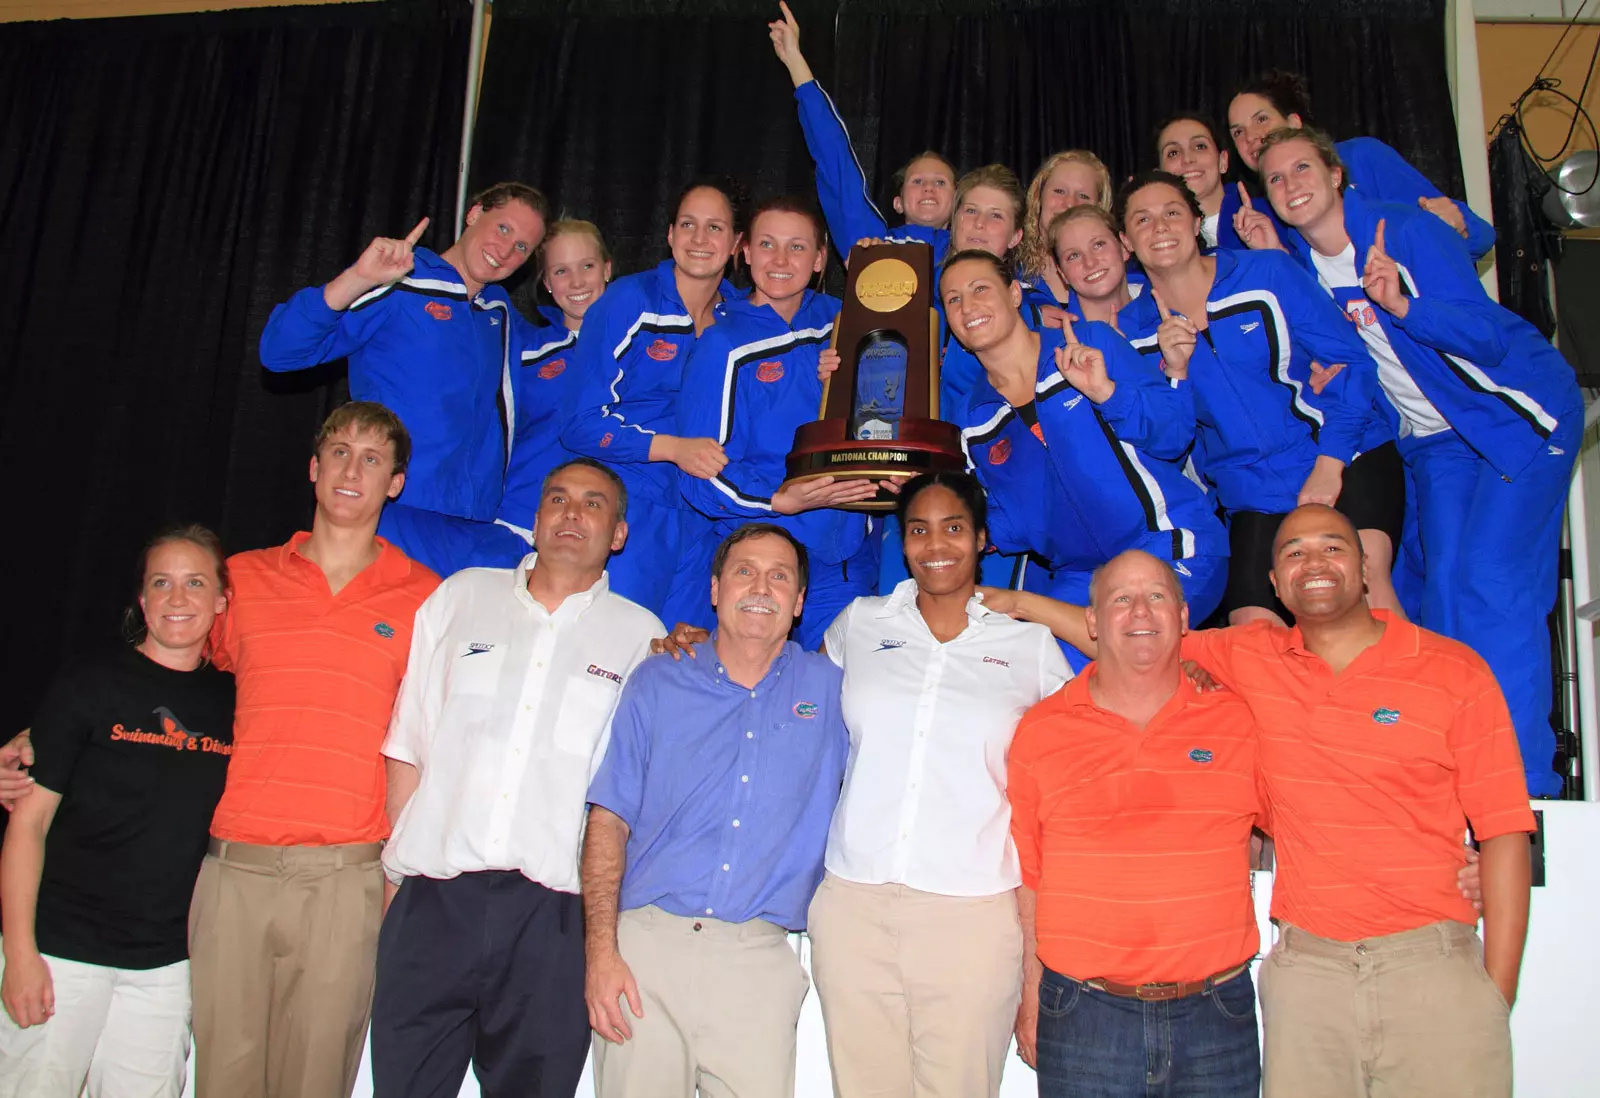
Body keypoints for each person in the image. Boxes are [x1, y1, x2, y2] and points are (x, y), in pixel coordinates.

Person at [989, 504, 1535, 1098]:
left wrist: (1492, 996)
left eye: (1333, 547)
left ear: (1367, 567)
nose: (1314, 562)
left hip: (1429, 961)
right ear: (1275, 582)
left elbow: (1505, 830)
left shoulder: (1454, 671)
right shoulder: (1252, 658)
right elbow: (1137, 639)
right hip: (1308, 975)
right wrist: (1018, 603)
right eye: (1293, 552)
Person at [1256, 125, 1581, 796]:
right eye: (1275, 178)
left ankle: (1525, 792)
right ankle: (1462, 774)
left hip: (1516, 417)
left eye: (1301, 168)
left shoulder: (1403, 233)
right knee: (1441, 598)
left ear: (1337, 174)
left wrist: (1406, 306)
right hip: (1433, 442)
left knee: (1490, 583)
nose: (1291, 185)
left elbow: (1488, 335)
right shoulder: (1299, 274)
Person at [371, 458, 663, 1098]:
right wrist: (395, 881)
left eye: (593, 504)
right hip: (432, 898)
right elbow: (408, 743)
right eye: (557, 499)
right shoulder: (460, 596)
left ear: (618, 533)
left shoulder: (641, 637)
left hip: (553, 917)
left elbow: (625, 799)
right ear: (535, 518)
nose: (571, 514)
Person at [189, 401, 441, 1098]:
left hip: (345, 879)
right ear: (312, 467)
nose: (350, 469)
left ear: (395, 482)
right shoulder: (240, 580)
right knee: (222, 1081)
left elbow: (431, 742)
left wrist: (397, 875)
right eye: (338, 452)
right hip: (235, 869)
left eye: (371, 458)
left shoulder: (426, 599)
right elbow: (172, 676)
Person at [807, 472, 1070, 1098]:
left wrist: (1030, 604)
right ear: (902, 543)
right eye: (919, 529)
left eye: (954, 527)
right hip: (854, 905)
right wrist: (705, 648)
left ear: (981, 538)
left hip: (972, 915)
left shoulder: (1028, 645)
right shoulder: (861, 624)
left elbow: (1110, 679)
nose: (936, 545)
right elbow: (790, 697)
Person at [581, 523, 849, 1098]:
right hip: (646, 954)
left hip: (758, 960)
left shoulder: (835, 692)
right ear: (714, 589)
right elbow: (609, 819)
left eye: (780, 576)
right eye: (744, 571)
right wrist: (600, 954)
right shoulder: (657, 679)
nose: (761, 587)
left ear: (800, 601)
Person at [1008, 549, 1263, 1098]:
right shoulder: (1041, 729)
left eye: (1156, 596)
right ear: (1093, 622)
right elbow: (1028, 877)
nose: (1140, 611)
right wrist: (1029, 993)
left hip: (1218, 1014)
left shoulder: (1238, 721)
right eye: (1121, 599)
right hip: (1082, 1015)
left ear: (1184, 616)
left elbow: (1311, 822)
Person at [0, 527, 235, 1098]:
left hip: (163, 968)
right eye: (162, 583)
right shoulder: (89, 681)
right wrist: (20, 954)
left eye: (195, 583)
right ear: (142, 600)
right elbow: (27, 824)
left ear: (222, 600)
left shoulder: (235, 701)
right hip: (60, 953)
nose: (178, 599)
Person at [1116, 170, 1404, 627]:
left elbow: (1351, 364)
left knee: (1365, 589)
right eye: (1142, 220)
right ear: (1126, 241)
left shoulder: (1266, 272)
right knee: (1252, 632)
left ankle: (1403, 698)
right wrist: (1176, 371)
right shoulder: (1133, 332)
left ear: (1196, 223)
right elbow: (1168, 439)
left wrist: (1330, 465)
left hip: (1345, 452)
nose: (1160, 228)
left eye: (1172, 213)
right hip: (1253, 493)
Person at [940, 249, 1228, 663]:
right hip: (1082, 579)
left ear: (1014, 294)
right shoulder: (972, 416)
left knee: (1129, 647)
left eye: (980, 289)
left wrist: (1106, 394)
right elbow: (1012, 522)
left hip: (1168, 547)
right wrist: (946, 517)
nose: (968, 307)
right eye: (953, 299)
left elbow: (1174, 434)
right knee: (1029, 682)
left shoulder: (1089, 341)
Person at [259, 184, 549, 577]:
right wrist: (359, 277)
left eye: (521, 247)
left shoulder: (500, 313)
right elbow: (280, 353)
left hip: (478, 527)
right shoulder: (401, 283)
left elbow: (562, 369)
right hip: (397, 509)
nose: (505, 250)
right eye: (502, 229)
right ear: (475, 213)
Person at [676, 197, 879, 647]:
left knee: (833, 700)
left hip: (845, 557)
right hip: (763, 559)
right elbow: (698, 478)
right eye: (767, 244)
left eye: (798, 247)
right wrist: (775, 501)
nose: (781, 260)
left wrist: (879, 264)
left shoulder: (844, 320)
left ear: (821, 258)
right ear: (744, 252)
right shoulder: (721, 345)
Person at [561, 180, 745, 624]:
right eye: (688, 225)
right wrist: (674, 449)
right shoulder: (629, 300)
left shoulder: (740, 316)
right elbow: (579, 424)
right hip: (633, 503)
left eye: (715, 227)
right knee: (613, 646)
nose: (700, 239)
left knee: (679, 658)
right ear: (669, 235)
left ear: (737, 244)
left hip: (708, 513)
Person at [1226, 69, 1495, 260]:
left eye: (1261, 119)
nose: (1251, 137)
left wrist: (1456, 226)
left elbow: (1479, 233)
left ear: (1294, 123)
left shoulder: (1360, 156)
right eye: (1238, 132)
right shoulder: (1261, 217)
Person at [769, 2, 954, 263]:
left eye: (940, 182)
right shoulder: (873, 244)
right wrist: (794, 60)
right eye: (917, 181)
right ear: (898, 202)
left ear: (958, 201)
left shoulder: (974, 249)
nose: (928, 189)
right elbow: (836, 162)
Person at [479, 221, 616, 569]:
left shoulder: (643, 350)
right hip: (520, 521)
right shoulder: (523, 349)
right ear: (546, 283)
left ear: (607, 269)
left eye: (587, 265)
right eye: (561, 270)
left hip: (603, 533)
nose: (577, 281)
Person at [1156, 112, 1283, 252]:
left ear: (1223, 161)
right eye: (1173, 153)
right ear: (1159, 174)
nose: (1187, 159)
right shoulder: (1154, 239)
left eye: (1200, 146)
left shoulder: (1272, 216)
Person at [1018, 149, 1114, 303]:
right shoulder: (1007, 275)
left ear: (1099, 207)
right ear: (1038, 197)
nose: (1070, 203)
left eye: (1083, 196)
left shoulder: (1121, 278)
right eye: (1059, 191)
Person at [1046, 205, 1142, 328]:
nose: (1090, 263)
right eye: (1073, 256)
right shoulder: (1059, 343)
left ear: (1124, 247)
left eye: (1098, 245)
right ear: (1062, 274)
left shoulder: (1166, 307)